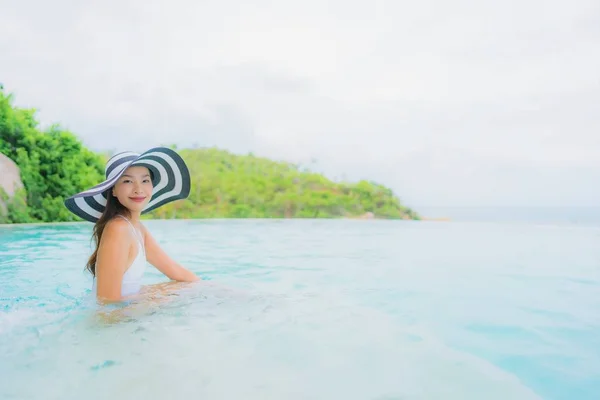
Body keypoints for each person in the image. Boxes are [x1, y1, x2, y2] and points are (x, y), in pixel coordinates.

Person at [64, 147, 200, 304]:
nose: (138, 189)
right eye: (127, 181)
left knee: (181, 289)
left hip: (126, 317)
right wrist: (157, 299)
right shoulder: (118, 228)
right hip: (111, 325)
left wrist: (213, 290)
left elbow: (178, 273)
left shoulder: (137, 229)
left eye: (145, 180)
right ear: (113, 190)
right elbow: (107, 307)